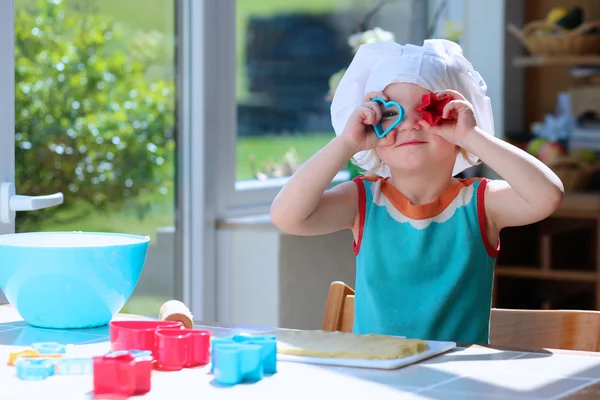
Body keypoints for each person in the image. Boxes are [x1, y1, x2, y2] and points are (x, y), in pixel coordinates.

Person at [270, 39, 564, 344]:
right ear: (373, 132)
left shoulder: (481, 204)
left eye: (429, 111)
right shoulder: (363, 201)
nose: (410, 124)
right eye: (389, 114)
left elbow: (547, 195)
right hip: (378, 382)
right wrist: (347, 142)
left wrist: (471, 135)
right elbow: (286, 217)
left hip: (453, 384)